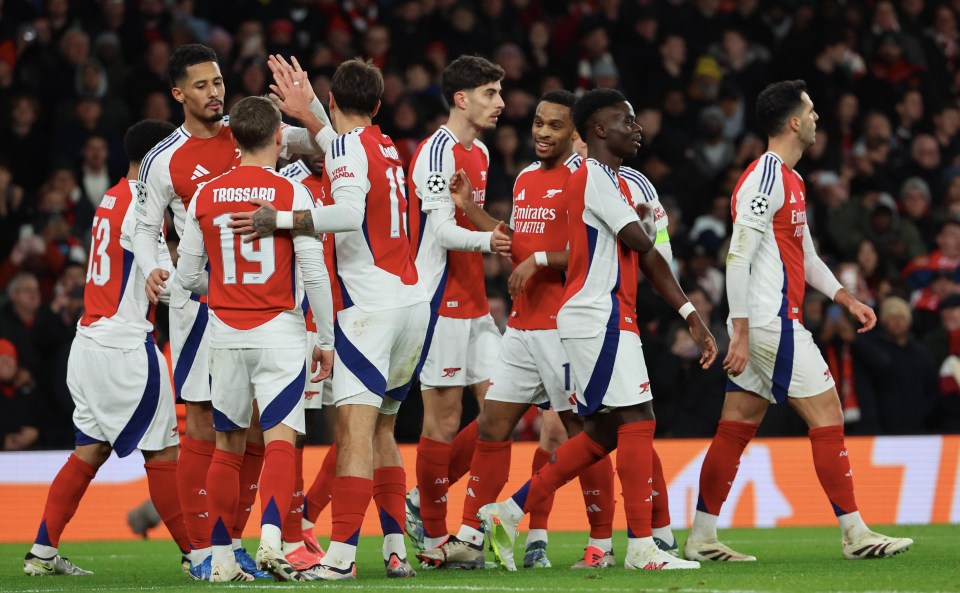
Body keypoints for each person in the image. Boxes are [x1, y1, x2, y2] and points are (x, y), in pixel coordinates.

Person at [479, 88, 716, 572]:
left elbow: (649, 259)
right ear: (600, 129)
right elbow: (640, 239)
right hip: (597, 316)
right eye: (626, 120)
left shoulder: (605, 178)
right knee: (639, 421)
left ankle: (506, 511)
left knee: (600, 435)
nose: (637, 127)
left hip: (604, 316)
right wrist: (650, 216)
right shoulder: (593, 177)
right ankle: (644, 547)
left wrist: (690, 313)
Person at [684, 80, 913, 562]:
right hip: (770, 322)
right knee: (828, 412)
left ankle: (701, 537)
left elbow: (805, 256)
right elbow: (737, 256)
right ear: (793, 122)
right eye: (810, 111)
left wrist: (847, 298)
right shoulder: (766, 177)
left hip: (764, 321)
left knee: (737, 425)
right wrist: (740, 331)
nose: (816, 119)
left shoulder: (792, 179)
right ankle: (855, 534)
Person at [230, 57, 430, 580]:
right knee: (384, 432)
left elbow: (345, 213)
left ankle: (340, 558)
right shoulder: (386, 146)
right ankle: (394, 550)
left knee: (354, 434)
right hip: (412, 304)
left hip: (370, 307)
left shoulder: (344, 148)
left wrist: (282, 219)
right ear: (380, 106)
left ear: (337, 102)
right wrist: (309, 113)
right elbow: (326, 142)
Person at [132, 44, 326, 579]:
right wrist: (151, 266)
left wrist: (308, 106)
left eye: (217, 82)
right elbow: (144, 227)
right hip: (201, 306)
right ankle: (204, 549)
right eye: (202, 85)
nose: (215, 92)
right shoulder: (164, 158)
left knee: (260, 431)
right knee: (205, 424)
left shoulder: (252, 130)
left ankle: (244, 540)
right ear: (179, 94)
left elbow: (327, 147)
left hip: (264, 305)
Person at [175, 96, 334, 582]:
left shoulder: (204, 194)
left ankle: (221, 558)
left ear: (235, 139)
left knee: (228, 446)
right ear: (279, 138)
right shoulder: (291, 195)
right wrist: (324, 337)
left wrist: (219, 286)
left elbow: (187, 278)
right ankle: (271, 540)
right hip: (279, 331)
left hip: (224, 333)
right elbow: (313, 270)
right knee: (281, 438)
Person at [23, 119, 190, 576]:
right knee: (162, 456)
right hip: (125, 349)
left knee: (88, 453)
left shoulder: (112, 197)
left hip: (88, 344)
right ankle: (197, 555)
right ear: (158, 158)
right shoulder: (143, 207)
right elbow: (165, 285)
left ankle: (41, 552)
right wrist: (214, 287)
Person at [403, 54, 512, 554]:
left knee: (500, 411)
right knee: (443, 421)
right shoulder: (434, 153)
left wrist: (486, 228)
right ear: (462, 98)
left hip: (474, 303)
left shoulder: (483, 153)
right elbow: (440, 231)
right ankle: (432, 529)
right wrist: (490, 243)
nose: (501, 103)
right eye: (490, 93)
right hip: (438, 302)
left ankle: (461, 523)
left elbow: (466, 219)